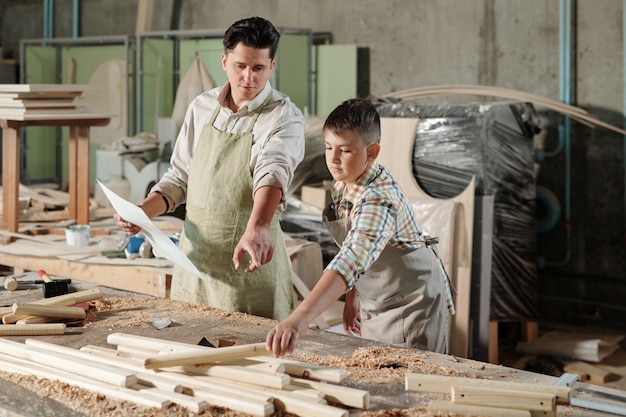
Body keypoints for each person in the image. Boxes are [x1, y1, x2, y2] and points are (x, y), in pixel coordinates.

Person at [115, 17, 305, 321]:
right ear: (224, 60)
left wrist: (257, 229)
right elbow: (179, 179)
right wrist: (142, 213)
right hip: (195, 269)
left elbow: (274, 170)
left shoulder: (284, 117)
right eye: (240, 66)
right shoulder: (201, 108)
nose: (248, 77)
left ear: (272, 66)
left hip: (250, 268)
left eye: (258, 68)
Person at [266, 98, 455, 356]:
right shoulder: (346, 181)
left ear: (372, 152)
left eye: (344, 150)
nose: (333, 159)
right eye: (328, 147)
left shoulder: (377, 199)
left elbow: (353, 255)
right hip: (381, 295)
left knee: (406, 379)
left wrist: (300, 319)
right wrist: (353, 295)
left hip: (409, 304)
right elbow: (354, 244)